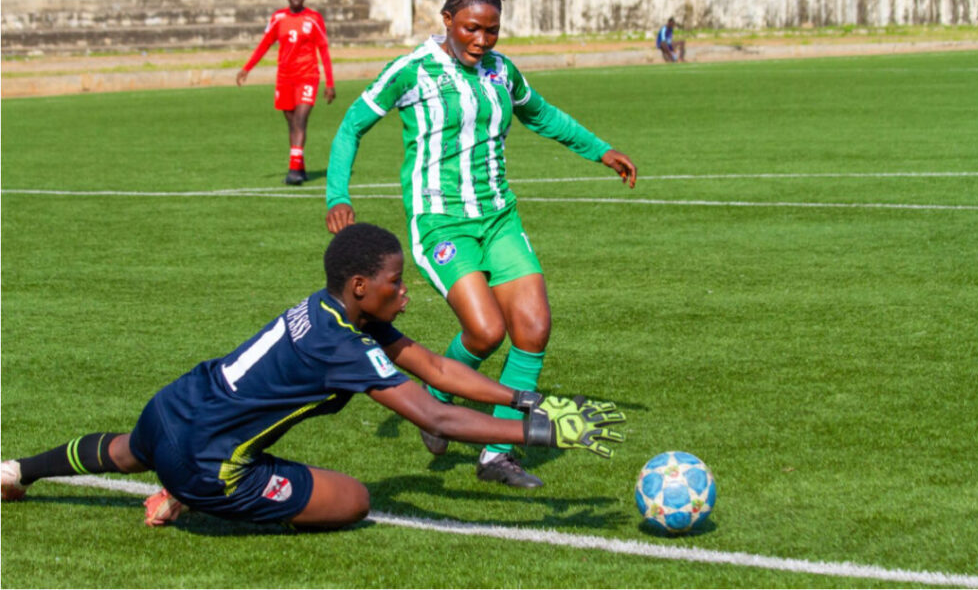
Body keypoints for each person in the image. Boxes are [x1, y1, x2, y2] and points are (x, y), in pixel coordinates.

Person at [0, 223, 624, 529]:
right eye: (395, 283)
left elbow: (435, 368)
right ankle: (189, 491)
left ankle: (16, 471)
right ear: (361, 287)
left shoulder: (330, 308)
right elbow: (434, 414)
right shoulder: (341, 347)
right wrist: (539, 433)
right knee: (352, 500)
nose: (405, 293)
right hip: (205, 459)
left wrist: (525, 396)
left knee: (128, 451)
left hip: (172, 406)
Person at [323, 0, 637, 489]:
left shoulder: (500, 71)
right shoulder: (412, 70)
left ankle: (497, 454)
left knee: (533, 327)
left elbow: (542, 114)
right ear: (447, 20)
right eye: (471, 28)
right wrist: (338, 194)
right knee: (486, 331)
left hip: (499, 217)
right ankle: (437, 400)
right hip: (440, 220)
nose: (481, 40)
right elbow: (352, 125)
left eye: (491, 31)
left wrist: (599, 149)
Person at [237, 0, 336, 185]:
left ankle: (293, 171)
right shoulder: (278, 18)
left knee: (300, 120)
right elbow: (265, 44)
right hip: (285, 78)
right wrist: (247, 68)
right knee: (291, 123)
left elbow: (324, 50)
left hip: (307, 76)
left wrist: (329, 82)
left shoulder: (314, 19)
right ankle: (300, 168)